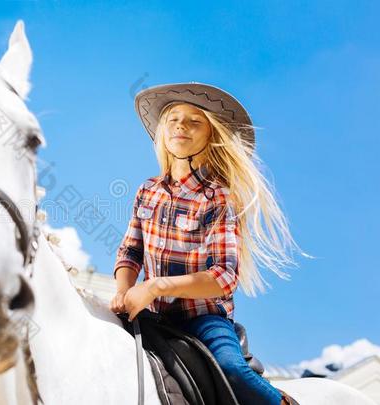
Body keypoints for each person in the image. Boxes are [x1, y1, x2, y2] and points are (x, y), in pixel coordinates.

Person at [110, 83, 309, 404]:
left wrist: (156, 286)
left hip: (203, 317)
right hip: (152, 315)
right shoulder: (147, 191)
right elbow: (131, 251)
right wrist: (123, 290)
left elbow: (225, 277)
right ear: (163, 131)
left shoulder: (218, 197)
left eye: (194, 121)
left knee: (232, 371)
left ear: (211, 135)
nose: (180, 126)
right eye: (173, 118)